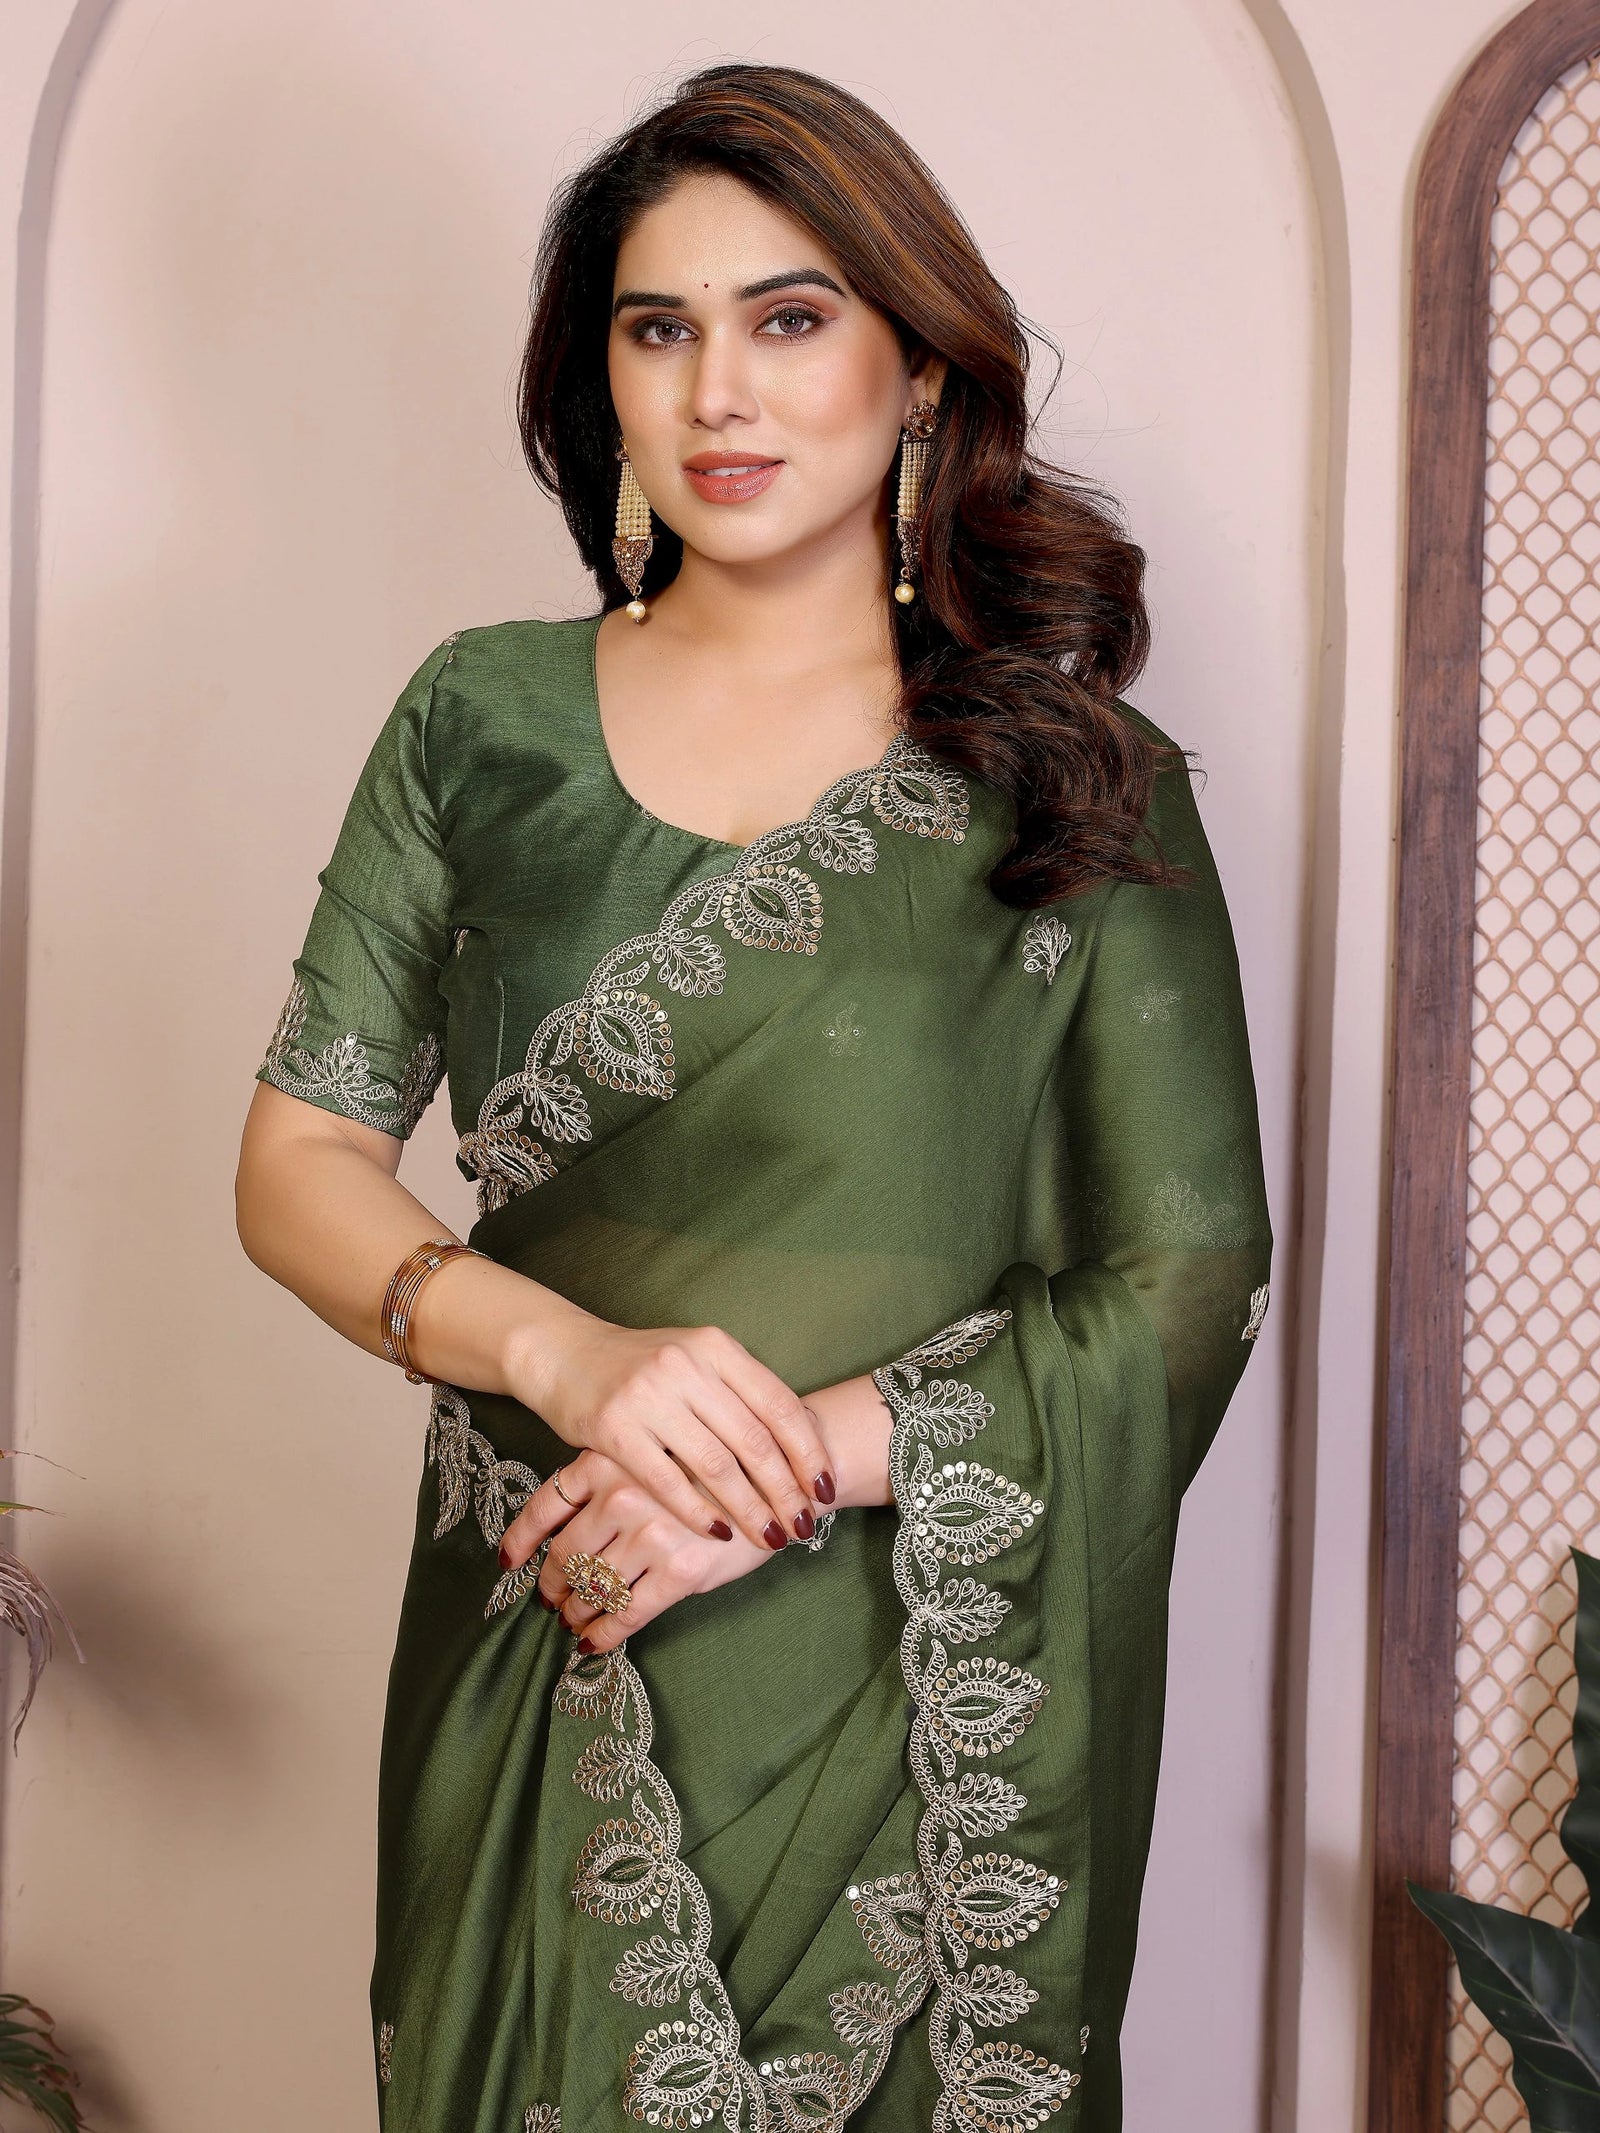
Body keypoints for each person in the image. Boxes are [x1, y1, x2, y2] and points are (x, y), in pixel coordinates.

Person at [234, 60, 1271, 2133]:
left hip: (898, 1682)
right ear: (600, 385)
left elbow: (1186, 1274)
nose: (718, 388)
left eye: (788, 319)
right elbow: (297, 1160)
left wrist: (786, 1451)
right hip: (552, 1612)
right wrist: (569, 1353)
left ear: (912, 366)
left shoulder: (1068, 781)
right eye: (657, 327)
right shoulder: (481, 718)